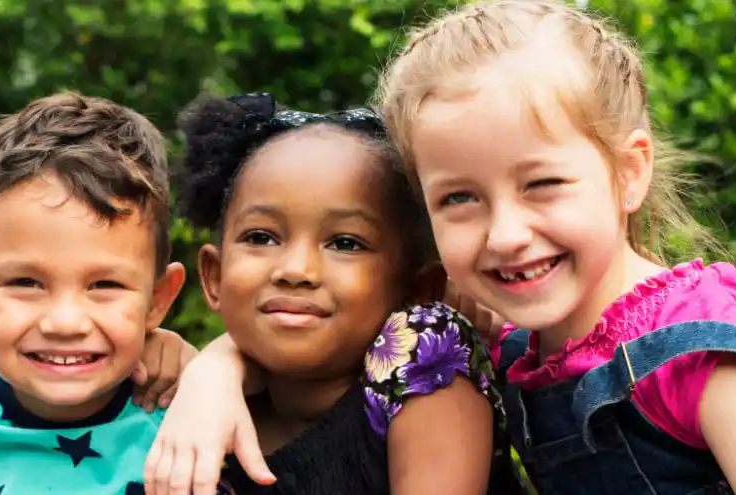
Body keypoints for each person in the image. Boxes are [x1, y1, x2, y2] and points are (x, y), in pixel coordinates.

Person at [376, 1, 736, 492]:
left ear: (628, 172)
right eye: (459, 197)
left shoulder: (698, 346)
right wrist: (236, 364)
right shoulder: (497, 342)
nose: (506, 235)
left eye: (543, 183)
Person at [144, 93, 516, 495]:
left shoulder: (424, 351)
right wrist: (209, 371)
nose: (295, 271)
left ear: (417, 288)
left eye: (346, 243)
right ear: (214, 277)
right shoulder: (195, 413)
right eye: (261, 236)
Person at [0, 91, 192, 493]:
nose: (64, 322)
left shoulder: (185, 421)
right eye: (25, 283)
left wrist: (215, 370)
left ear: (158, 299)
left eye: (105, 285)